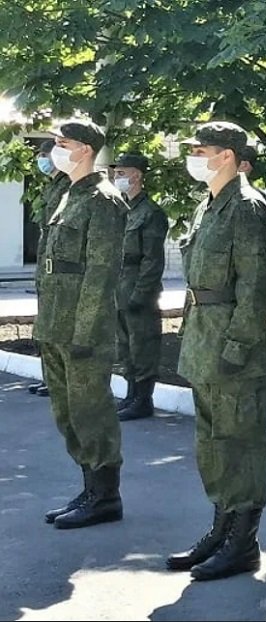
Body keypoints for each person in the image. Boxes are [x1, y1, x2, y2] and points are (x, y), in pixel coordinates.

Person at [166, 121, 266, 582]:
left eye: (204, 149)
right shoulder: (210, 205)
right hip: (204, 341)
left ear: (230, 156)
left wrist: (237, 344)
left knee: (241, 445)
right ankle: (221, 529)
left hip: (237, 347)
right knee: (213, 445)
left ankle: (243, 542)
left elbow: (258, 285)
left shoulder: (248, 208)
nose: (195, 154)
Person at [33, 119, 128, 529]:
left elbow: (101, 272)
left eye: (63, 143)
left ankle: (106, 495)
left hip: (80, 325)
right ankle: (90, 487)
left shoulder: (103, 199)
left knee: (91, 411)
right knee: (67, 412)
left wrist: (85, 330)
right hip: (54, 320)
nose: (56, 149)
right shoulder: (66, 193)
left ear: (85, 149)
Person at [109, 153, 169, 421]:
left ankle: (144, 399)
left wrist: (141, 294)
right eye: (115, 172)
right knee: (125, 345)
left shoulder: (150, 213)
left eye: (121, 172)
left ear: (137, 175)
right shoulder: (121, 209)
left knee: (142, 343)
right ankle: (131, 394)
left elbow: (152, 260)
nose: (116, 177)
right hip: (118, 286)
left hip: (137, 286)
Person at [28, 140, 71, 398]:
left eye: (45, 155)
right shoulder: (53, 186)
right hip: (45, 265)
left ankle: (58, 379)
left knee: (56, 328)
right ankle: (49, 378)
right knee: (44, 327)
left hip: (57, 268)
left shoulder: (67, 185)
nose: (41, 160)